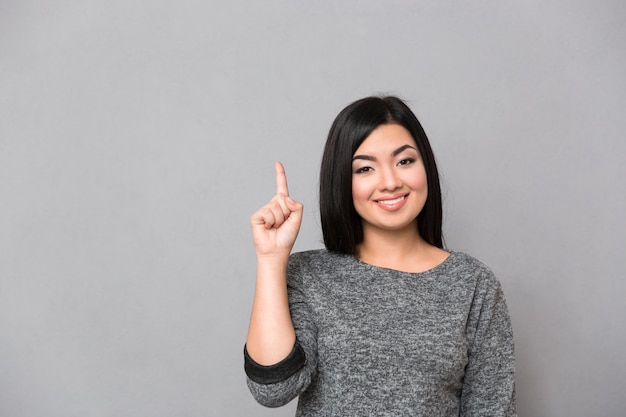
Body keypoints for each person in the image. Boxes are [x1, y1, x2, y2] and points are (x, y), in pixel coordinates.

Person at [244, 96, 516, 416]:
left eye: (404, 161)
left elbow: (492, 409)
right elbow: (273, 389)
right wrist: (272, 258)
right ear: (343, 182)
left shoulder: (473, 284)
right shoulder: (308, 274)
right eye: (365, 168)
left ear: (425, 166)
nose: (389, 182)